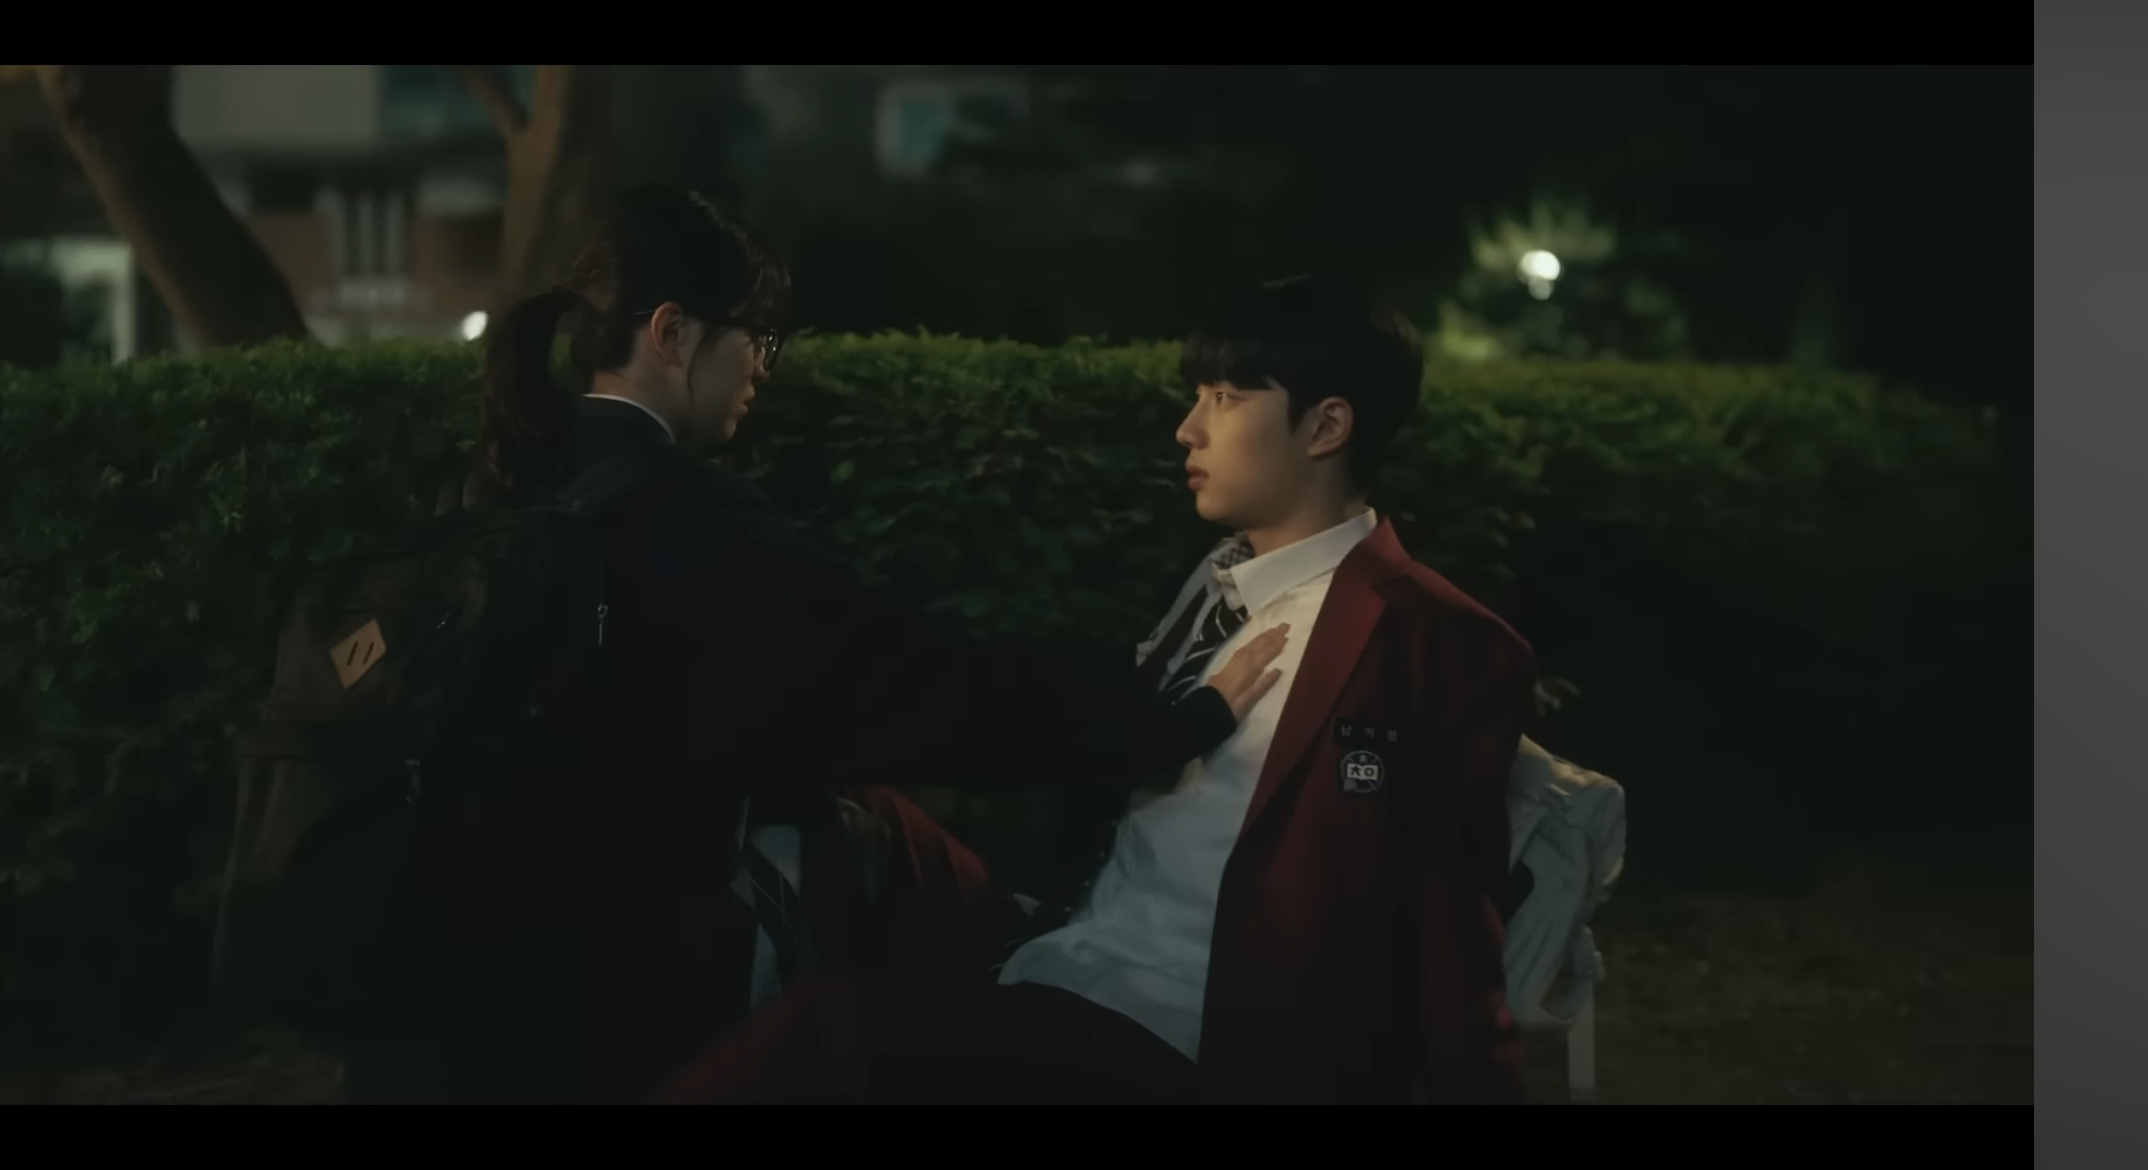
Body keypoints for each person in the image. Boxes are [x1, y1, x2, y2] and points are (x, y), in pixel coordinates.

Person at [341, 185, 1288, 1104]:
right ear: (672, 334)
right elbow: (927, 693)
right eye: (757, 339)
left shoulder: (493, 487)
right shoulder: (689, 519)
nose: (763, 368)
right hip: (621, 1000)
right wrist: (1174, 724)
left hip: (450, 978)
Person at [654, 274, 1538, 1105]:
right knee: (838, 813)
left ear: (1326, 426)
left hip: (1174, 1027)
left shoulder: (1429, 639)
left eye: (1225, 398)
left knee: (832, 1030)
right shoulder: (1221, 583)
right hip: (1060, 948)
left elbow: (1451, 927)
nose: (1188, 429)